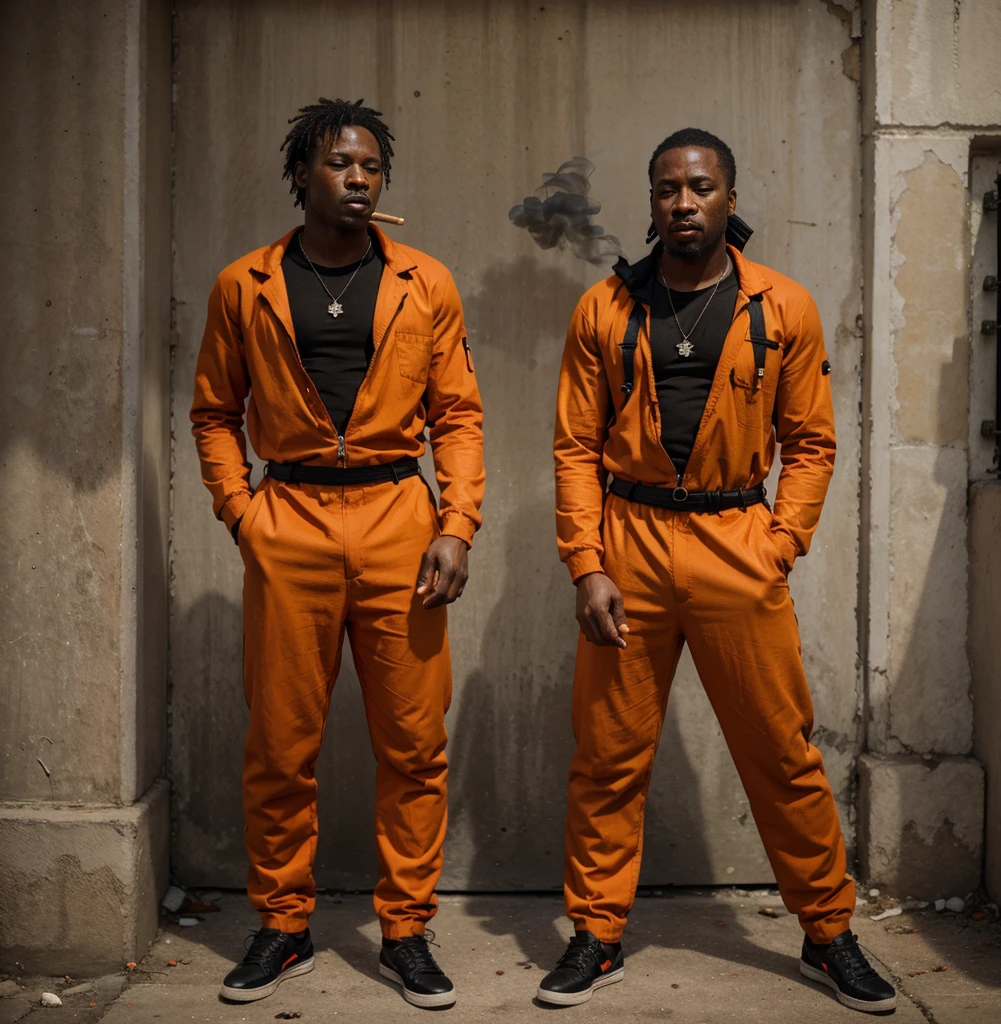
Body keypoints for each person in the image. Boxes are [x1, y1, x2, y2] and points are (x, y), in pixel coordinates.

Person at [537, 128, 895, 1015]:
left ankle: (828, 934)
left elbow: (811, 443)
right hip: (630, 547)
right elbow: (576, 446)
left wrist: (780, 543)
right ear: (651, 202)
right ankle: (597, 933)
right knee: (609, 758)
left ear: (730, 199)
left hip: (738, 542)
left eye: (700, 187)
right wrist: (587, 565)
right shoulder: (605, 311)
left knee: (782, 753)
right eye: (666, 189)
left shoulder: (784, 307)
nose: (683, 203)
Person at [190, 98, 484, 1010]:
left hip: (401, 520)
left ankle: (405, 931)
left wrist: (455, 523)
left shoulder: (424, 282)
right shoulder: (246, 284)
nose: (358, 180)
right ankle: (284, 925)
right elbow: (212, 412)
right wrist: (243, 513)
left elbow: (459, 416)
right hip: (292, 522)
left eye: (370, 167)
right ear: (301, 175)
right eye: (340, 166)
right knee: (281, 745)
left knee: (413, 742)